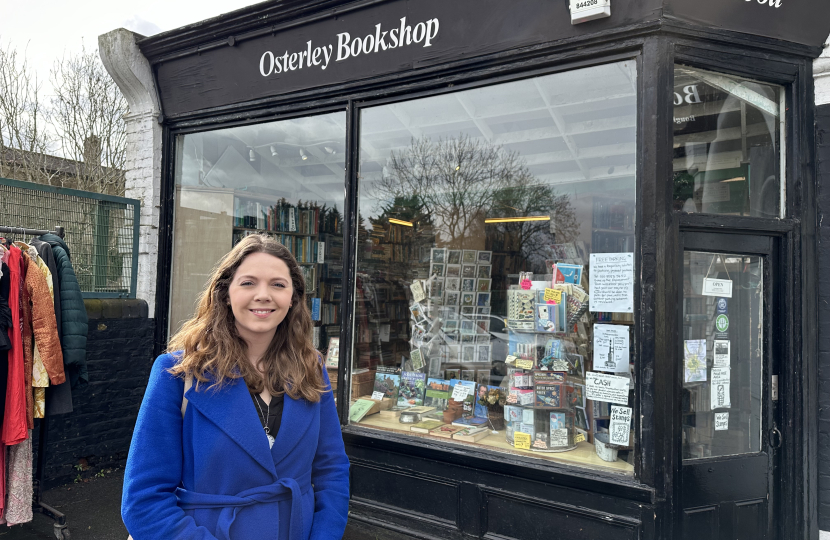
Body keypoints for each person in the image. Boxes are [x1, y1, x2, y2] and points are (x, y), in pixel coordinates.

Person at [122, 235, 350, 540]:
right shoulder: (177, 374)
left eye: (278, 285)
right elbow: (144, 501)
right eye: (248, 283)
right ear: (225, 293)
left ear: (294, 297)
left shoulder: (312, 369)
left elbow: (331, 471)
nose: (263, 295)